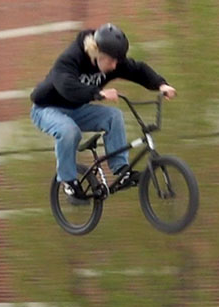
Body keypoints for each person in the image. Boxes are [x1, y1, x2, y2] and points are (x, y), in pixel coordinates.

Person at [30, 23, 177, 201]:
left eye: (117, 61)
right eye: (111, 61)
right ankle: (68, 181)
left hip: (77, 109)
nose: (115, 66)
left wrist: (161, 84)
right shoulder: (71, 58)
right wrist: (97, 93)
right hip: (47, 108)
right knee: (69, 131)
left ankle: (121, 170)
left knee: (113, 116)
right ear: (97, 52)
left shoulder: (113, 62)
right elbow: (65, 85)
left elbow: (138, 70)